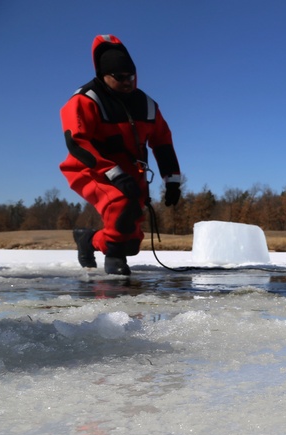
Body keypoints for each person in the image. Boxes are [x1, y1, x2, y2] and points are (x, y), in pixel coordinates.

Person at [59, 35, 182, 275]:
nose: (127, 82)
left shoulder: (147, 105)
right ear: (103, 76)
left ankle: (90, 240)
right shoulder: (84, 100)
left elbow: (163, 142)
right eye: (120, 78)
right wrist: (113, 173)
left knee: (131, 240)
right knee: (121, 204)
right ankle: (114, 260)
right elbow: (77, 142)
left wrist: (173, 181)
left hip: (130, 170)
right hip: (90, 167)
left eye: (131, 76)